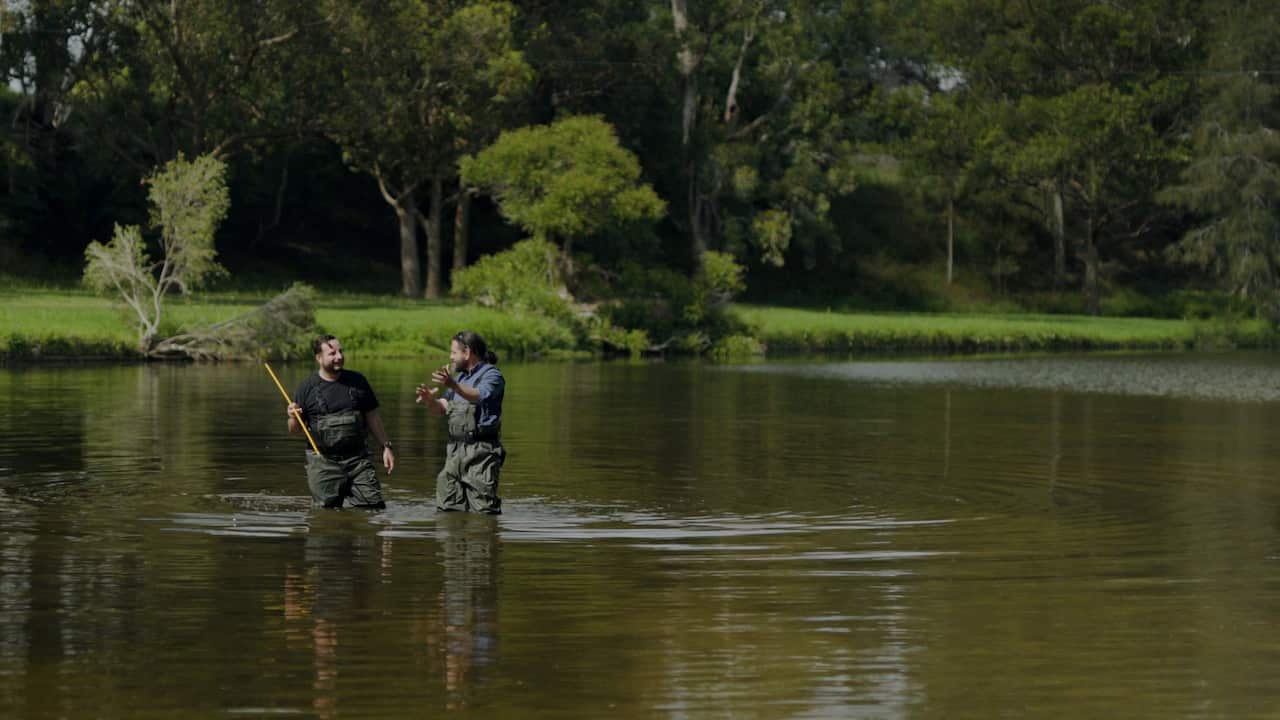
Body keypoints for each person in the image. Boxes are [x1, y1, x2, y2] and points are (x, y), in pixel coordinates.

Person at [287, 334, 396, 509]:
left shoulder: (358, 381)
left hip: (358, 460)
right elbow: (294, 430)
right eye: (332, 353)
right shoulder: (306, 388)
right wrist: (293, 417)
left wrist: (386, 446)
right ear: (319, 358)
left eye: (341, 351)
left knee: (374, 508)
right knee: (325, 516)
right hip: (323, 462)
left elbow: (373, 416)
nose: (339, 357)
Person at [416, 331, 505, 514]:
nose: (451, 357)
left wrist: (452, 385)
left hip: (481, 454)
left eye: (454, 352)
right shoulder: (461, 378)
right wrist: (429, 401)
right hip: (454, 453)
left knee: (483, 513)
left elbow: (479, 395)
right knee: (447, 509)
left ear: (467, 352)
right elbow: (441, 408)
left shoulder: (492, 376)